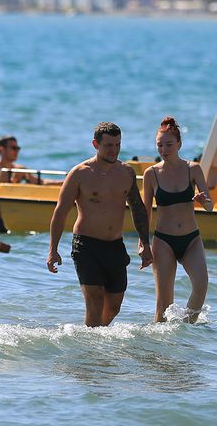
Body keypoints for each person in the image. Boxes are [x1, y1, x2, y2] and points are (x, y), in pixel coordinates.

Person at [47, 122, 153, 327]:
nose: (114, 150)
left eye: (118, 145)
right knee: (94, 300)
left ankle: (93, 338)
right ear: (95, 144)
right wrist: (53, 250)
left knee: (114, 306)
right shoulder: (79, 173)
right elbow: (60, 212)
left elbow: (138, 209)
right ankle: (92, 351)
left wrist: (145, 243)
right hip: (86, 246)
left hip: (115, 246)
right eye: (109, 146)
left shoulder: (126, 173)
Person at [141, 117, 213, 322]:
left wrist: (202, 200)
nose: (164, 149)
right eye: (159, 145)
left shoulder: (193, 169)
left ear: (179, 144)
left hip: (191, 239)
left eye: (169, 145)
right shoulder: (151, 174)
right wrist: (143, 243)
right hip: (163, 241)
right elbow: (145, 212)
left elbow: (210, 206)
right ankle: (156, 350)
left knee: (201, 286)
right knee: (163, 305)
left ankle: (185, 331)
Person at [0, 135, 50, 235]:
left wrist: (64, 182)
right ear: (1, 149)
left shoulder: (19, 169)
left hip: (14, 223)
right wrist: (12, 187)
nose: (17, 151)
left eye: (18, 148)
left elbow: (40, 182)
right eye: (14, 148)